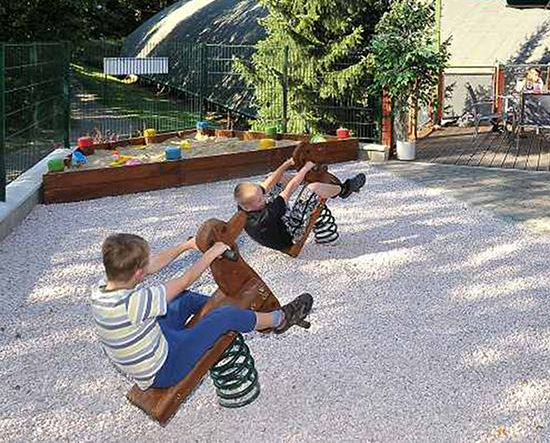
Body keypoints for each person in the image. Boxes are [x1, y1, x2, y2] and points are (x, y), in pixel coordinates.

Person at [91, 233, 313, 390]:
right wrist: (212, 253)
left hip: (155, 343)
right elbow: (185, 280)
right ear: (138, 274)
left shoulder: (102, 288)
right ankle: (280, 319)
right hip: (165, 368)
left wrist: (186, 246)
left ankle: (243, 318)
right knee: (222, 315)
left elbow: (151, 266)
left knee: (181, 300)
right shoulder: (134, 304)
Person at [234, 158, 366, 251]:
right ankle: (344, 189)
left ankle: (306, 179)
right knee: (313, 188)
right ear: (247, 207)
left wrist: (288, 163)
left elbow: (268, 183)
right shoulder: (266, 215)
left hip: (274, 228)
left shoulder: (245, 204)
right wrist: (306, 168)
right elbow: (289, 190)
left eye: (261, 196)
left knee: (274, 179)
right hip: (289, 235)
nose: (264, 198)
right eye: (259, 200)